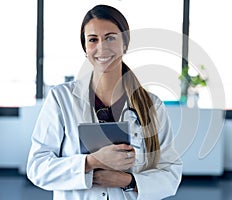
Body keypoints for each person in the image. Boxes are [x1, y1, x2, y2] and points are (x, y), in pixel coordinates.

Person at [27, 4, 182, 200]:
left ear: (125, 44)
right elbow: (37, 168)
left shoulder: (152, 105)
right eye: (93, 40)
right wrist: (90, 162)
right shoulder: (61, 99)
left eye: (110, 37)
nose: (102, 47)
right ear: (85, 48)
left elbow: (171, 174)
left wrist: (127, 181)